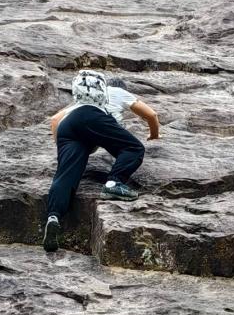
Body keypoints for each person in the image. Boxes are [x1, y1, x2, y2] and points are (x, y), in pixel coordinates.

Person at [41, 70, 160, 251]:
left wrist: (63, 150)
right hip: (95, 118)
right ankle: (113, 183)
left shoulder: (78, 103)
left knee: (65, 177)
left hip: (69, 126)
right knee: (133, 148)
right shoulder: (119, 92)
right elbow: (151, 115)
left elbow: (56, 119)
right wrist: (154, 135)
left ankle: (53, 216)